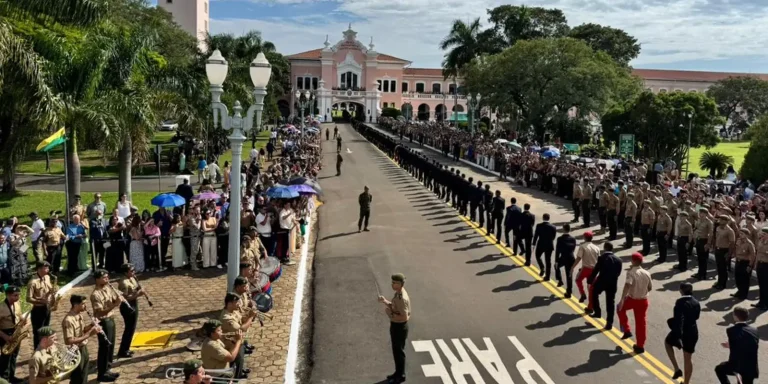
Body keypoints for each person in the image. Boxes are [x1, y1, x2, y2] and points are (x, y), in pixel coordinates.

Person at [665, 282, 700, 384]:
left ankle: (676, 368)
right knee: (688, 358)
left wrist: (678, 336)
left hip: (682, 332)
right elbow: (697, 317)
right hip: (693, 331)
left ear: (681, 291)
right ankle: (686, 382)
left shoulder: (680, 303)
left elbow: (678, 320)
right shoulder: (696, 302)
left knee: (667, 343)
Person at [90, 269, 122, 381]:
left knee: (111, 345)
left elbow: (113, 299)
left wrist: (118, 298)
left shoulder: (107, 288)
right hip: (103, 321)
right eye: (104, 277)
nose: (107, 279)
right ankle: (102, 373)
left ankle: (108, 369)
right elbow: (99, 312)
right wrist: (115, 305)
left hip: (111, 319)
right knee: (104, 347)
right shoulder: (95, 294)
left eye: (107, 277)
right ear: (97, 279)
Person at [618, 252, 652, 354]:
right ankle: (640, 345)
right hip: (643, 301)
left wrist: (622, 299)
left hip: (632, 299)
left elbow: (627, 285)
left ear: (633, 261)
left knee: (619, 308)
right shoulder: (647, 273)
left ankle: (626, 329)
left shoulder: (631, 272)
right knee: (641, 323)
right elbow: (650, 287)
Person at [378, 273, 410, 384]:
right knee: (396, 351)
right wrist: (385, 301)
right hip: (397, 325)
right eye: (392, 282)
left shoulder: (401, 298)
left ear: (400, 284)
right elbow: (395, 306)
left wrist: (390, 315)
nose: (392, 284)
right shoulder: (398, 294)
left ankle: (401, 375)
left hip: (399, 327)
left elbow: (404, 316)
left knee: (399, 352)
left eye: (394, 283)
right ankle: (397, 372)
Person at [714, 306, 759, 384]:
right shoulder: (754, 330)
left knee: (719, 369)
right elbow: (748, 344)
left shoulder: (731, 330)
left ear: (736, 317)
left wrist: (730, 346)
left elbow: (736, 350)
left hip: (737, 366)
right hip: (751, 367)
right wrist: (731, 345)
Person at [62, 294, 101, 384]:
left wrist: (92, 325)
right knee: (77, 377)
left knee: (84, 374)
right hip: (75, 351)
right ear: (76, 305)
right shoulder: (68, 320)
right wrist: (89, 334)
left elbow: (83, 330)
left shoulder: (79, 315)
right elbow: (69, 341)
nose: (85, 306)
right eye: (83, 304)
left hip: (83, 348)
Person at [587, 242, 623, 329]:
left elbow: (596, 270)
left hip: (602, 282)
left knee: (594, 293)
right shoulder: (619, 260)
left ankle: (597, 312)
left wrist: (590, 280)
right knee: (610, 302)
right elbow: (618, 273)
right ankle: (609, 323)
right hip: (613, 283)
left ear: (605, 248)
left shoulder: (602, 258)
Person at [219, 293, 254, 378]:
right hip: (231, 343)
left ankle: (241, 369)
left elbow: (241, 319)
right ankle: (238, 376)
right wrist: (251, 318)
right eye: (236, 302)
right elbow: (242, 329)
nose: (239, 304)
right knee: (238, 359)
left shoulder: (234, 310)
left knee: (241, 358)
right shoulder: (226, 318)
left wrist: (249, 316)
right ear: (229, 304)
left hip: (237, 340)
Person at [117, 264, 143, 359]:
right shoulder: (123, 282)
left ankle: (126, 348)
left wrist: (139, 289)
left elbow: (135, 288)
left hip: (134, 303)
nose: (133, 272)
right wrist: (138, 294)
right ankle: (123, 350)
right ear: (125, 272)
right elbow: (126, 298)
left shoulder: (131, 278)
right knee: (129, 329)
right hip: (127, 306)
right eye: (131, 271)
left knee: (132, 328)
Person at [27, 261, 54, 349]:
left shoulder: (47, 277)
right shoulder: (33, 282)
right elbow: (28, 298)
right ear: (39, 269)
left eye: (48, 268)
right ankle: (37, 350)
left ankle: (45, 347)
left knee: (46, 330)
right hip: (38, 310)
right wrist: (40, 301)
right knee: (38, 332)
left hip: (47, 307)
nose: (48, 269)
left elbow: (49, 289)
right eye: (45, 268)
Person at [0, 285, 23, 383]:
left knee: (14, 356)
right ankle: (4, 379)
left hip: (15, 332)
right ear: (8, 295)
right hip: (5, 333)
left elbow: (19, 316)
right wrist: (5, 336)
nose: (17, 298)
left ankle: (12, 376)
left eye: (18, 295)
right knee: (6, 358)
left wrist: (22, 320)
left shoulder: (17, 304)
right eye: (15, 295)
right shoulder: (1, 307)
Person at [572, 231, 600, 305]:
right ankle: (590, 306)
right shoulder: (597, 248)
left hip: (586, 268)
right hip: (594, 270)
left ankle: (583, 294)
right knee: (591, 288)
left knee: (578, 280)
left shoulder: (583, 246)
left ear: (584, 238)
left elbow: (578, 258)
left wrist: (572, 267)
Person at [555, 224, 577, 298]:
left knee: (556, 267)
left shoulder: (560, 239)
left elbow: (557, 251)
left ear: (563, 229)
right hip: (571, 258)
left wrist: (556, 260)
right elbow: (573, 248)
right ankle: (569, 291)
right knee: (569, 275)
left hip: (563, 257)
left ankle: (560, 280)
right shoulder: (573, 239)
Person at [533, 213, 556, 279]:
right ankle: (547, 276)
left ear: (543, 218)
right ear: (549, 218)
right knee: (548, 261)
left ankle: (542, 267)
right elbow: (553, 237)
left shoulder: (539, 226)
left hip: (541, 244)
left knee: (538, 256)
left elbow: (536, 235)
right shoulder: (553, 227)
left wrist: (533, 244)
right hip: (549, 245)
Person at [755, 227, 768, 310]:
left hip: (766, 266)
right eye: (762, 233)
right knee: (761, 285)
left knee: (766, 286)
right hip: (760, 264)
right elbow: (758, 253)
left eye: (764, 234)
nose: (762, 235)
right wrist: (756, 264)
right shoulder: (760, 242)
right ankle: (761, 302)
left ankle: (766, 304)